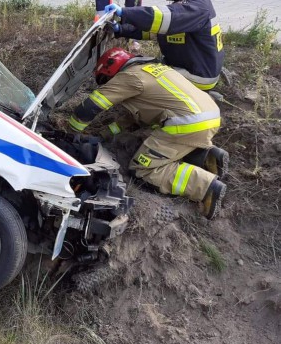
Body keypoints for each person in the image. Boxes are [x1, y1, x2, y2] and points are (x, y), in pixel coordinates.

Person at [68, 47, 228, 219]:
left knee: (143, 169)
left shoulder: (129, 77)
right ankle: (207, 156)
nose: (108, 83)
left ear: (110, 70)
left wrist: (71, 133)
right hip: (209, 117)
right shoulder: (153, 70)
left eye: (106, 80)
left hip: (186, 125)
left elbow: (92, 105)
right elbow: (133, 118)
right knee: (180, 144)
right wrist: (104, 134)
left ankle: (205, 187)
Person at [104, 0, 224, 92]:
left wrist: (124, 12)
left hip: (197, 76)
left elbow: (159, 17)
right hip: (191, 68)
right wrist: (121, 30)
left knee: (137, 78)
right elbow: (156, 31)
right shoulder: (193, 4)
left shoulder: (197, 8)